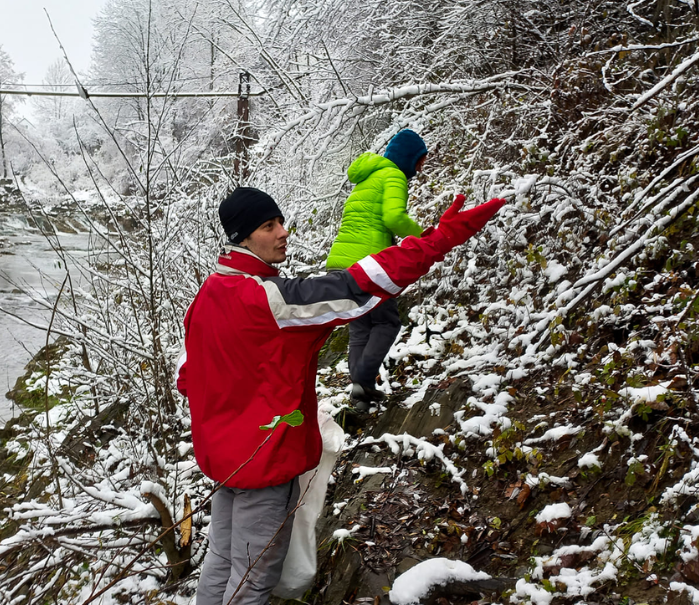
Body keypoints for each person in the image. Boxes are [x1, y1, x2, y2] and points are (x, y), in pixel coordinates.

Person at [178, 185, 503, 605]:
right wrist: (438, 239)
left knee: (221, 563)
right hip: (263, 460)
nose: (283, 233)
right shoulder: (268, 299)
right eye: (267, 225)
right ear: (242, 237)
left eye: (280, 221)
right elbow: (356, 286)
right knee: (252, 580)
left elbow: (189, 377)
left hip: (224, 461)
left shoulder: (207, 294)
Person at [325, 128, 430, 411]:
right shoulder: (393, 174)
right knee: (387, 322)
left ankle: (359, 397)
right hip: (368, 264)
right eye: (420, 160)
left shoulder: (369, 176)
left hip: (341, 261)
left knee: (361, 328)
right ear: (408, 158)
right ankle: (362, 382)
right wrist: (423, 237)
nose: (421, 167)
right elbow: (394, 217)